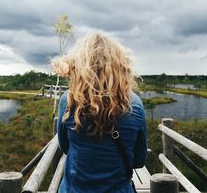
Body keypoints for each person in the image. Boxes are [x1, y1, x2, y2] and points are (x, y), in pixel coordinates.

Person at [52, 33, 147, 193]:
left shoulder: (68, 100)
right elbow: (138, 161)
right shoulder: (135, 104)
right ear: (120, 66)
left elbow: (65, 147)